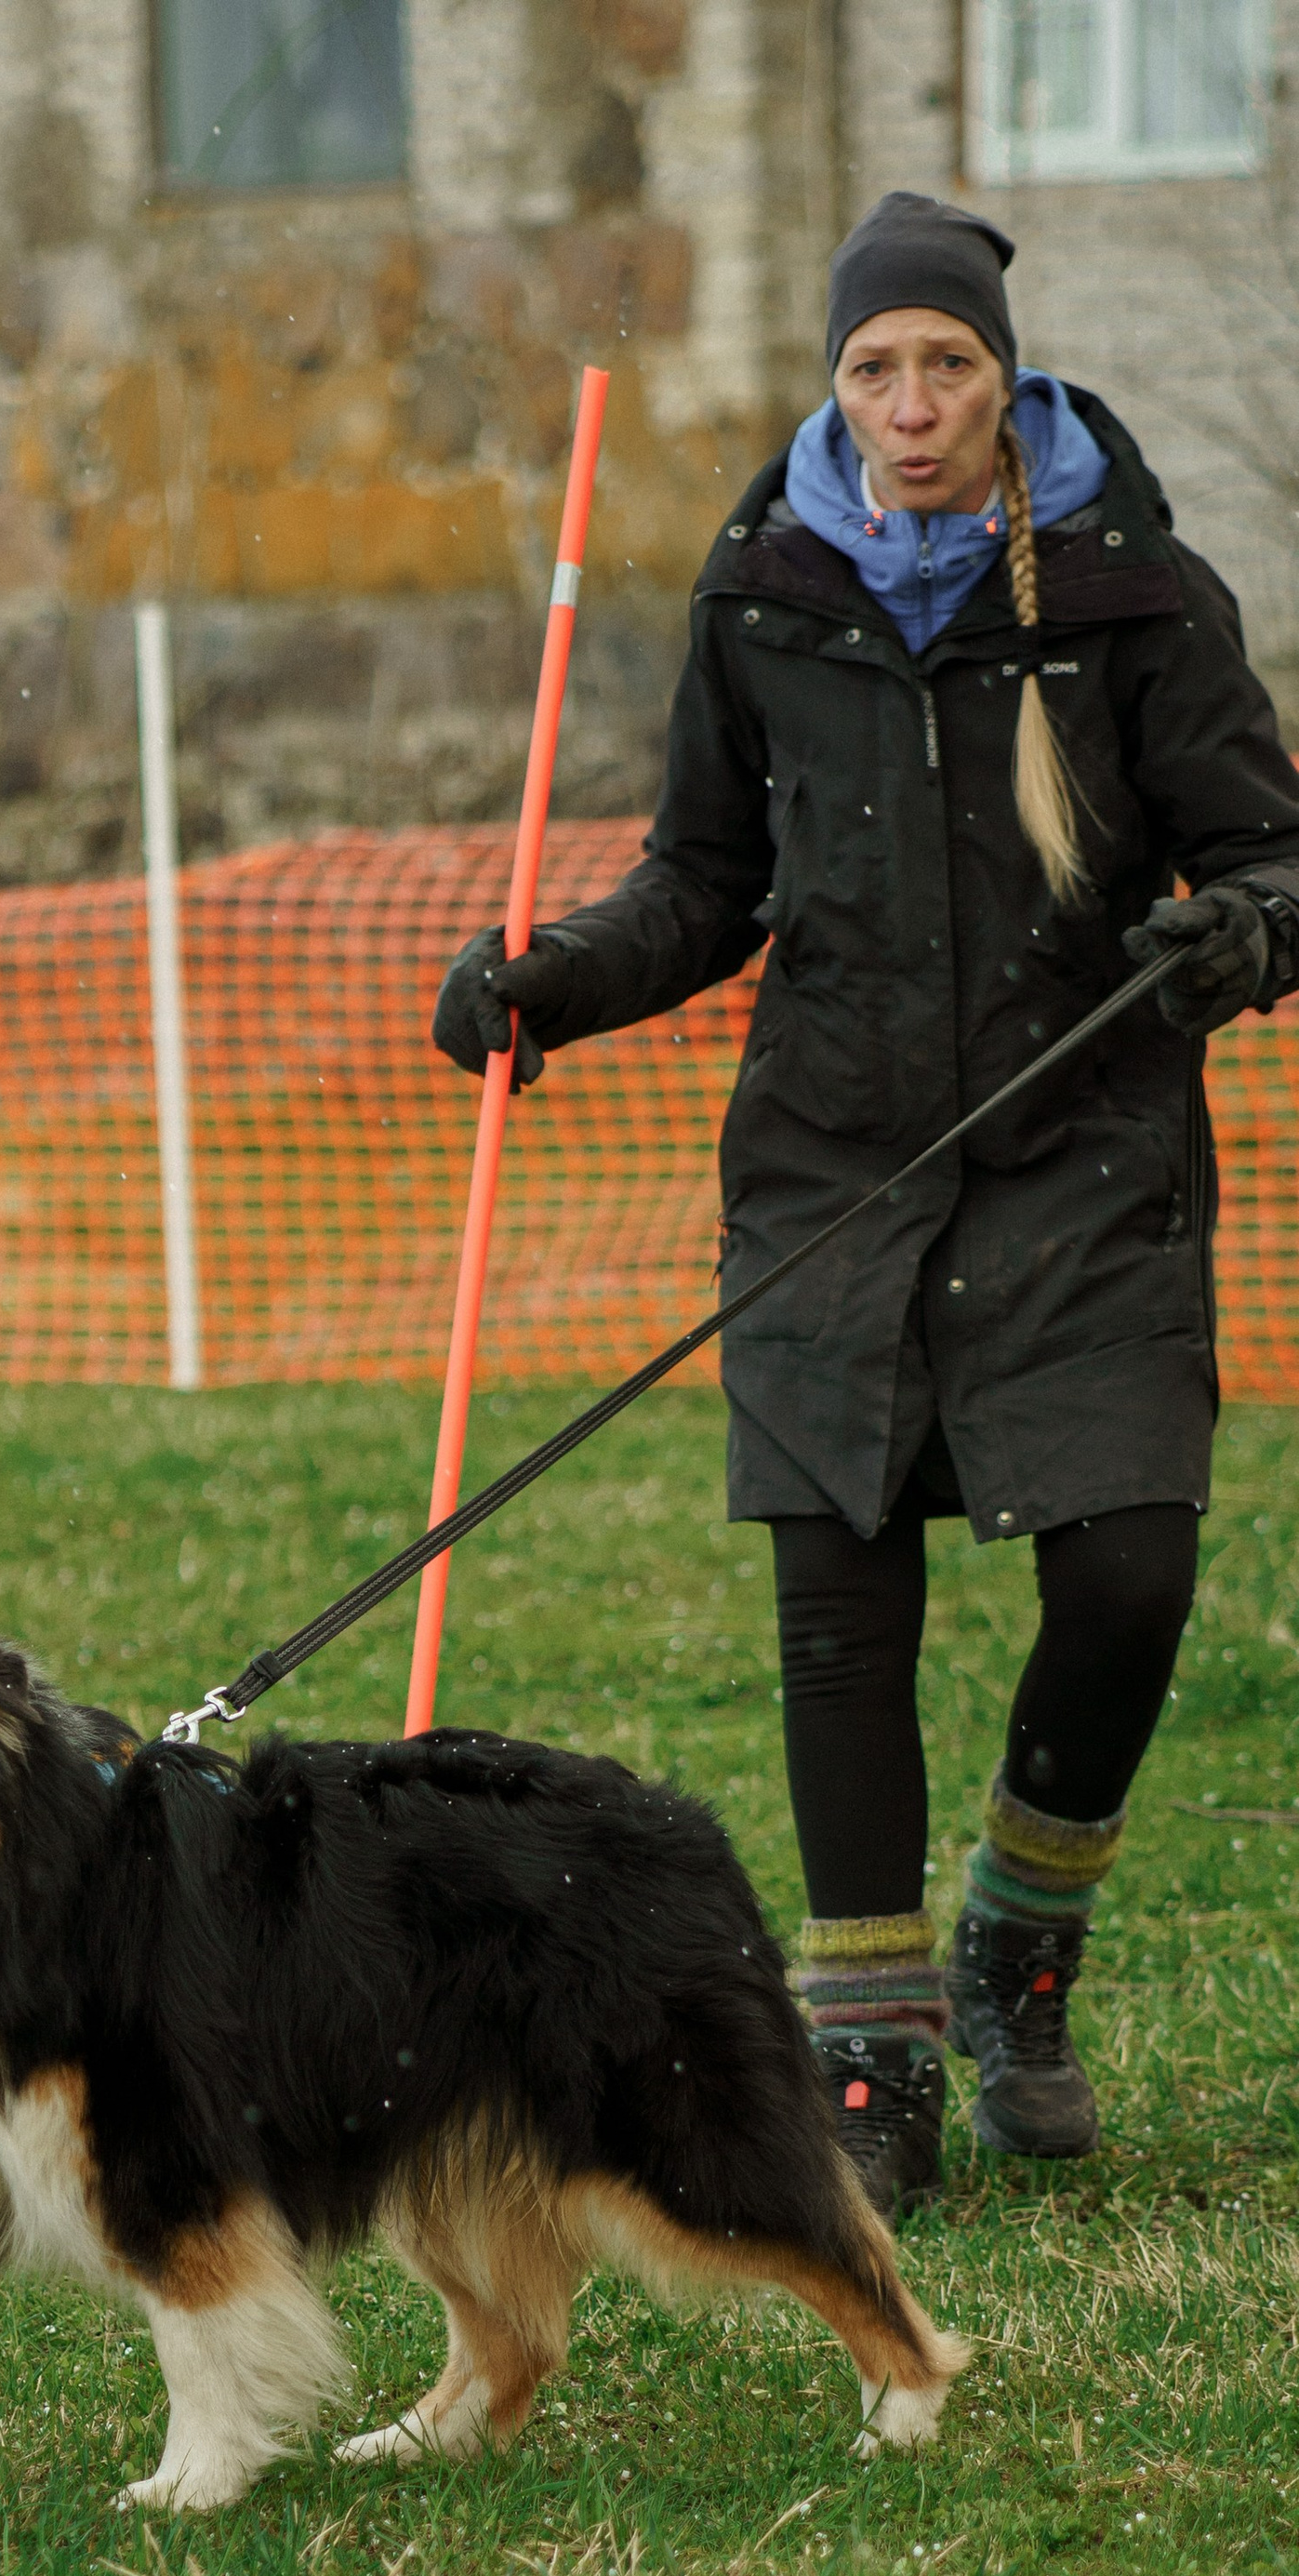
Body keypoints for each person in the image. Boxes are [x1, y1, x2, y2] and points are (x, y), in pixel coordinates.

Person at [433, 188, 1299, 2221]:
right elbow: (700, 889)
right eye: (871, 368)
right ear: (833, 385)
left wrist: (1231, 940)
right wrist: (548, 979)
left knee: (1123, 1578)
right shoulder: (762, 597)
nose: (909, 406)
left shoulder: (1130, 597)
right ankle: (868, 2056)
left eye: (946, 367)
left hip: (1077, 1155)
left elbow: (1272, 855)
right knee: (839, 1623)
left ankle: (1017, 1935)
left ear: (1004, 384)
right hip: (832, 1169)